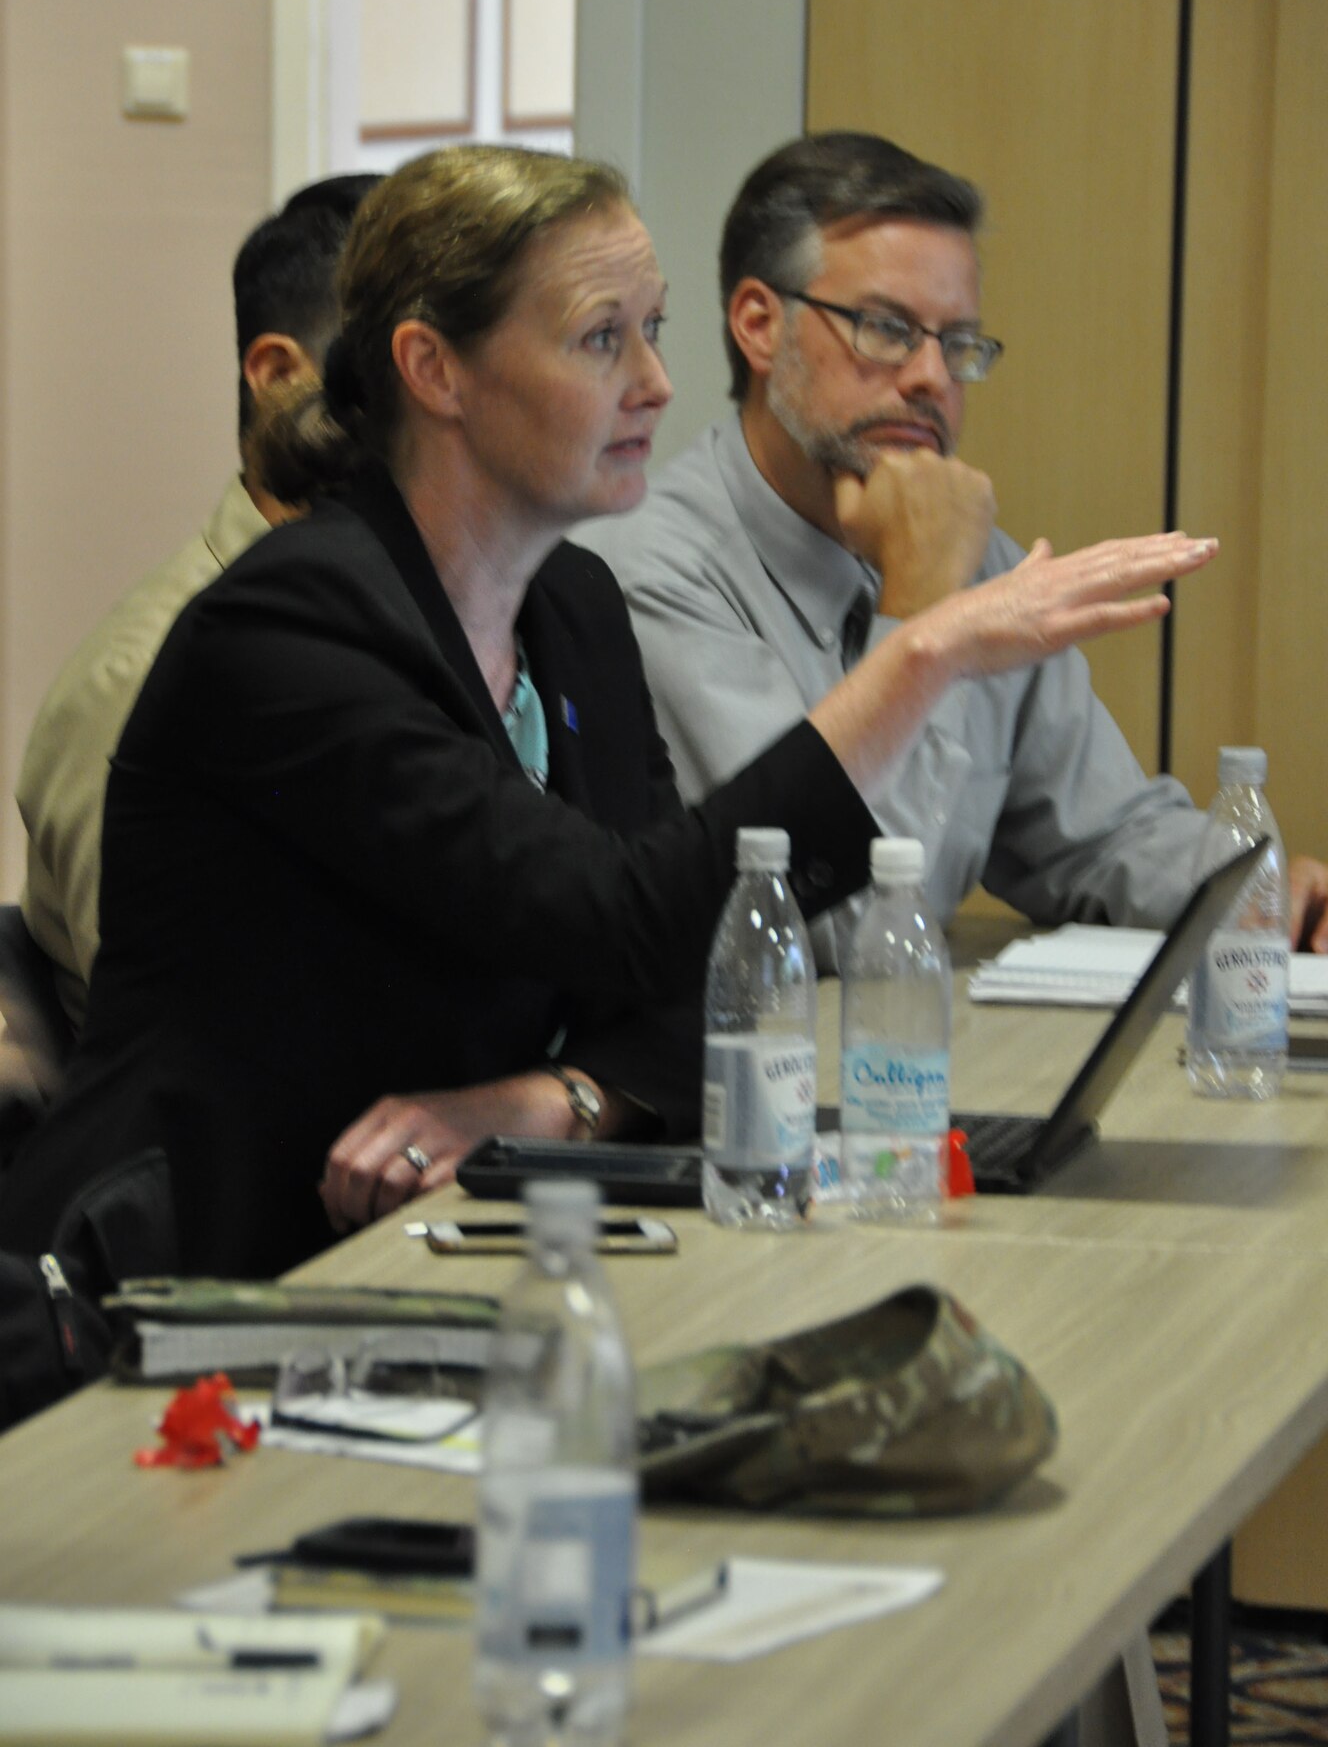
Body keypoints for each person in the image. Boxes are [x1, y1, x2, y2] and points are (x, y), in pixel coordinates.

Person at [0, 145, 1216, 1282]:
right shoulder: (290, 628)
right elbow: (627, 915)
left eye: (653, 330)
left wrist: (554, 1099)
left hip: (445, 1224)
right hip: (196, 1269)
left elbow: (691, 974)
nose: (656, 382)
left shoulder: (568, 601)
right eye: (599, 339)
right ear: (435, 370)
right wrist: (926, 648)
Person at [577, 130, 1328, 957]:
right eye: (887, 328)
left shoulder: (981, 559)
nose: (933, 378)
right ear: (760, 325)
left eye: (958, 343)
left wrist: (1266, 894)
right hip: (752, 1069)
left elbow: (1100, 836)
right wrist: (928, 617)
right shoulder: (646, 571)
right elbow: (833, 930)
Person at [15, 176, 380, 1039]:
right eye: (400, 366)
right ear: (280, 375)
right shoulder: (145, 679)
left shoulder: (456, 624)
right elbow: (197, 1052)